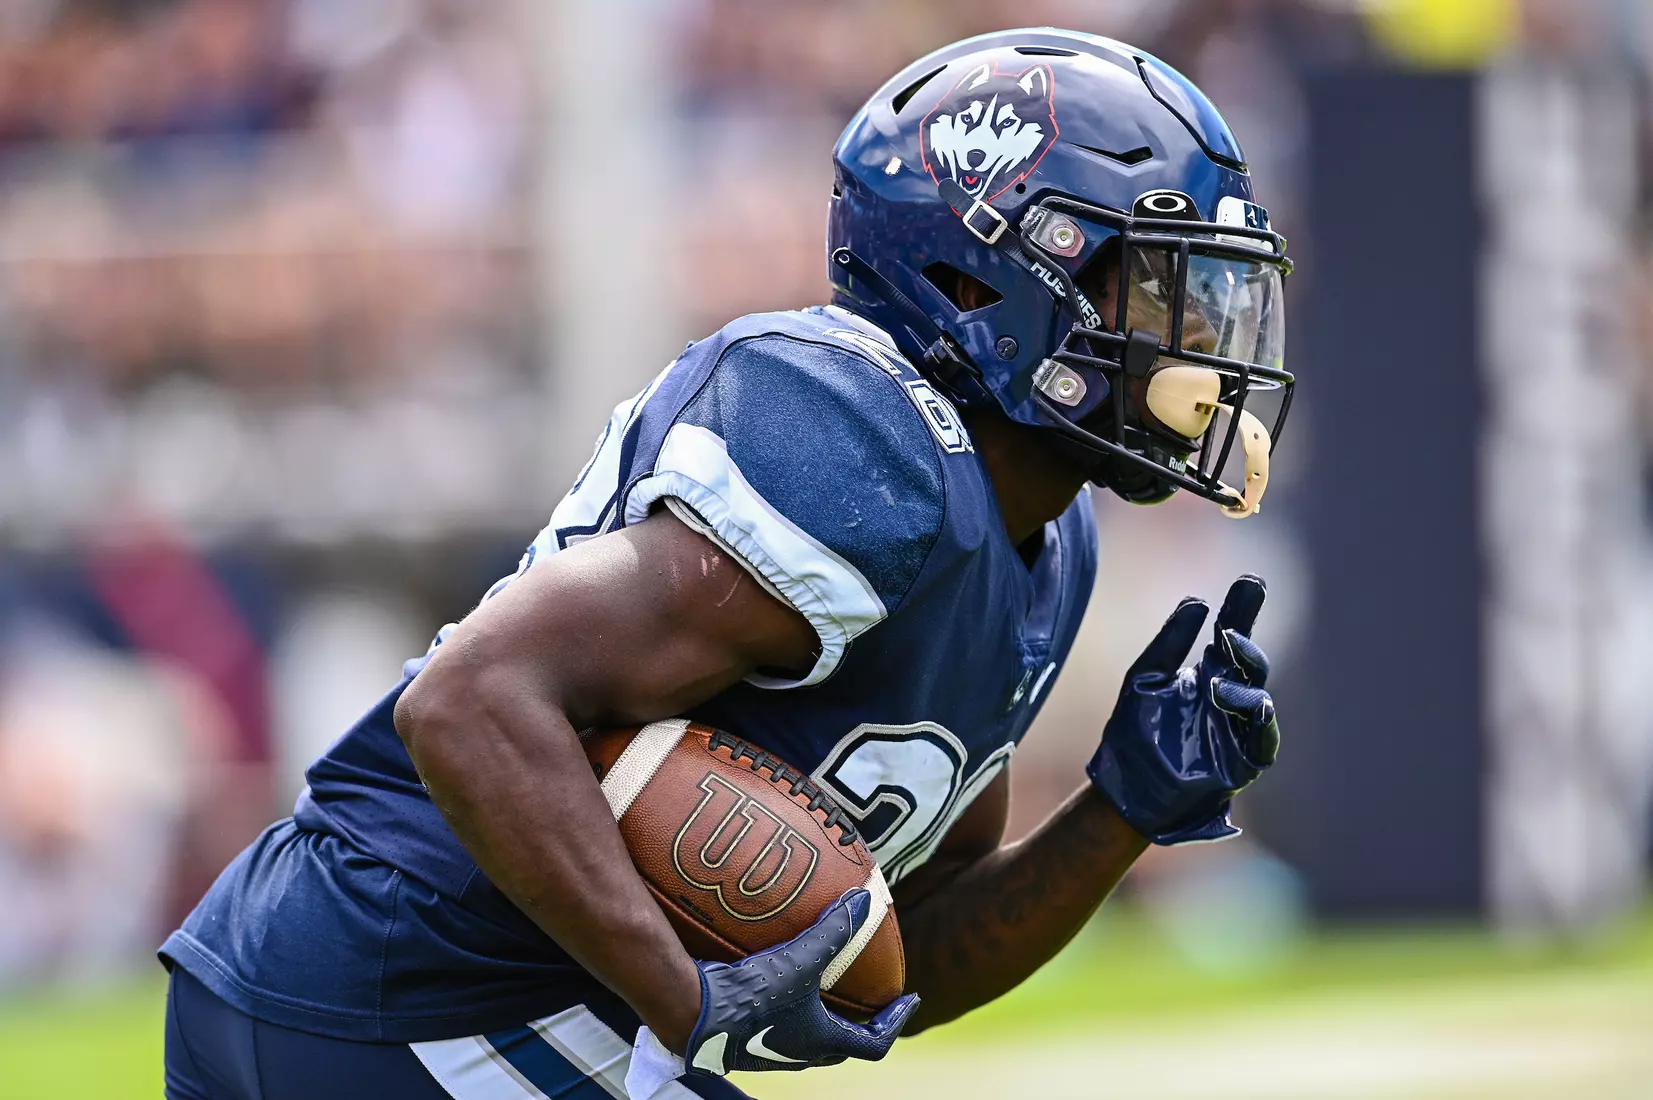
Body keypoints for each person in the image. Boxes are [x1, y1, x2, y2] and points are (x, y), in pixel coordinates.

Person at [159, 28, 1293, 1100]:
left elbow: (888, 967)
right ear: (981, 281)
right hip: (395, 973)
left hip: (463, 997)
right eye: (1152, 287)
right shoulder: (859, 438)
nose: (1194, 338)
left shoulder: (1046, 544)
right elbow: (470, 700)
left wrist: (1121, 810)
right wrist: (685, 1001)